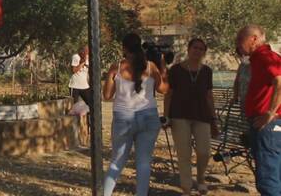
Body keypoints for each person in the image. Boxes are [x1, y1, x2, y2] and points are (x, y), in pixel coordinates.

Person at [103, 33, 169, 196]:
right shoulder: (151, 67)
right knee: (144, 163)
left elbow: (106, 96)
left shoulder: (116, 67)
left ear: (124, 48)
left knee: (116, 162)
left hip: (123, 117)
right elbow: (164, 89)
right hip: (148, 116)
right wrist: (163, 67)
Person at [164, 38, 218, 196]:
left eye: (201, 49)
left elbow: (209, 96)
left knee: (204, 151)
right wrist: (166, 116)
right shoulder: (175, 70)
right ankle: (186, 188)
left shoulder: (207, 71)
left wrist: (214, 119)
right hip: (179, 115)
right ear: (188, 49)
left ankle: (201, 179)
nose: (198, 51)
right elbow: (169, 94)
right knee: (184, 153)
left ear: (204, 52)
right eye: (195, 47)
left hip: (202, 115)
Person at [236, 25, 281, 196]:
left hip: (267, 126)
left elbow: (280, 81)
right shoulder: (257, 60)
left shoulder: (265, 57)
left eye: (240, 39)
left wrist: (270, 113)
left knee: (268, 178)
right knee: (273, 174)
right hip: (267, 124)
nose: (238, 44)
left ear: (253, 39)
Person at [70, 45, 92, 110]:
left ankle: (88, 119)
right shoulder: (76, 57)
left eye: (88, 50)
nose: (87, 52)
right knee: (74, 107)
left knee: (91, 104)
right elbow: (74, 70)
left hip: (85, 86)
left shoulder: (89, 58)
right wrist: (82, 63)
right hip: (75, 86)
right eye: (86, 50)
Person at [231, 46, 251, 113]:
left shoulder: (256, 65)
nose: (243, 56)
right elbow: (236, 81)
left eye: (245, 54)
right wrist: (235, 96)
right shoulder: (242, 66)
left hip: (253, 101)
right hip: (243, 100)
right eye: (240, 54)